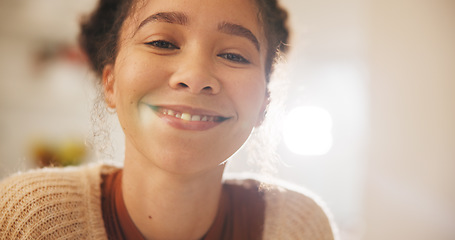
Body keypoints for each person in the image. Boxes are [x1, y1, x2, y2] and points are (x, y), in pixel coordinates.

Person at [0, 0, 336, 239]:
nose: (195, 76)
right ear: (111, 82)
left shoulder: (298, 227)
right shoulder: (29, 220)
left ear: (265, 103)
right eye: (162, 42)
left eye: (233, 55)